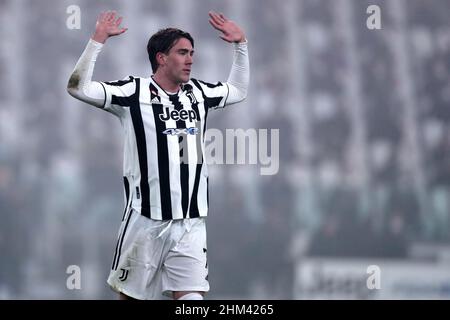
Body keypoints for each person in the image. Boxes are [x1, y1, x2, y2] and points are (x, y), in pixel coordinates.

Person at [67, 10, 249, 300]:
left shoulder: (198, 93)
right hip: (145, 221)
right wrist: (97, 40)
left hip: (191, 222)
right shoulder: (132, 92)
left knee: (192, 300)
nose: (190, 59)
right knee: (130, 297)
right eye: (182, 52)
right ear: (161, 58)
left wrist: (241, 46)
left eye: (192, 53)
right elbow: (78, 87)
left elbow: (238, 90)